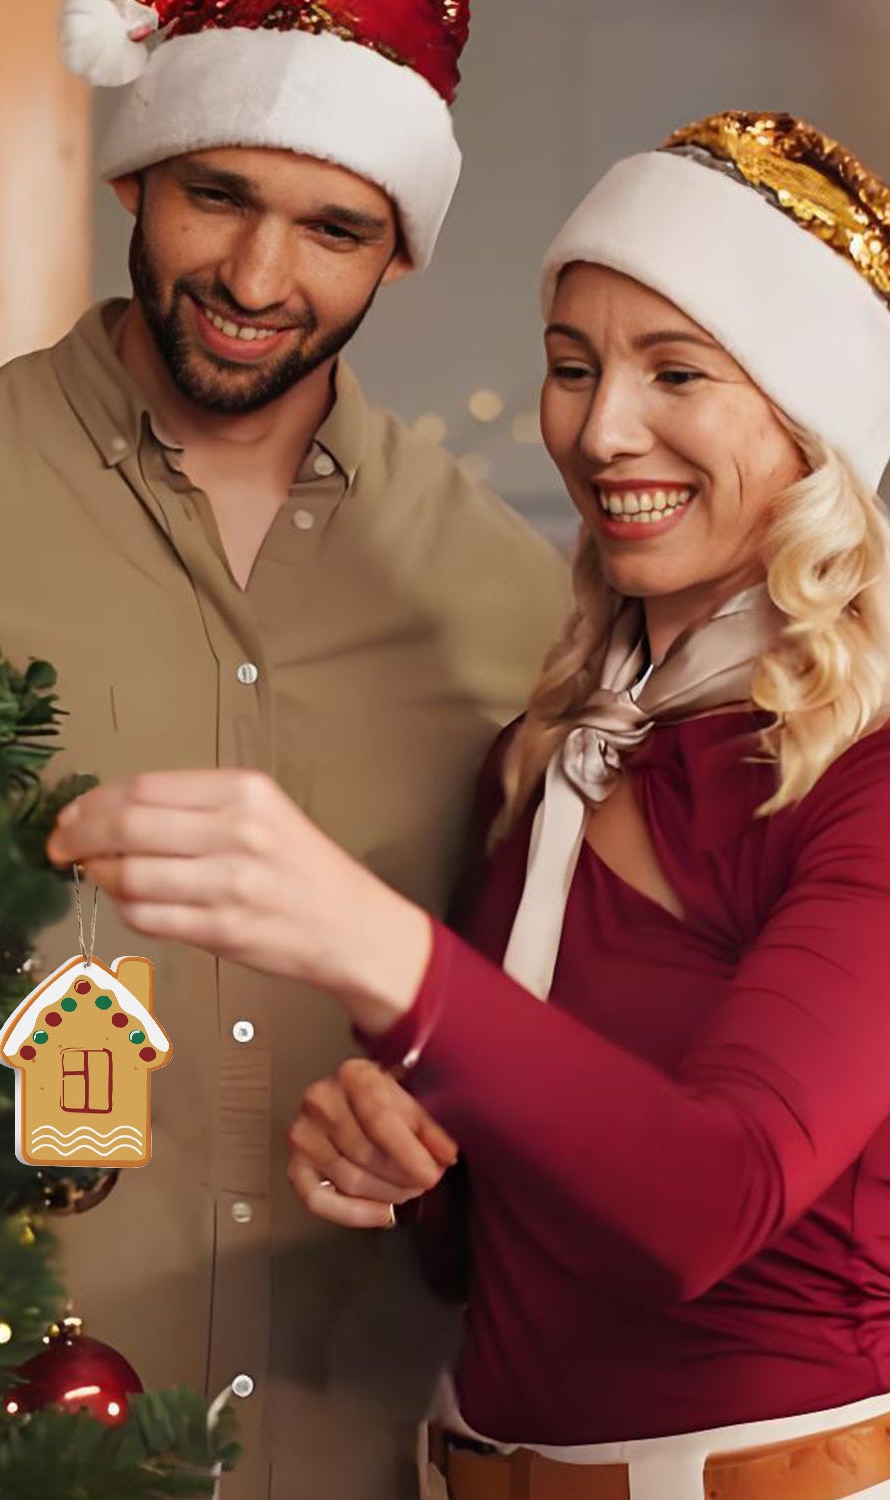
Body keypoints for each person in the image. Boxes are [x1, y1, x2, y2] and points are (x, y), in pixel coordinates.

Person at [46, 109, 890, 1500]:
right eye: (572, 367)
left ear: (814, 423)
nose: (600, 427)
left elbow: (707, 1202)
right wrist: (408, 1163)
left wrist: (371, 944)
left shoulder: (862, 776)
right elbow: (518, 1228)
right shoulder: (557, 751)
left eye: (676, 371)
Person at [0, 2, 567, 1494]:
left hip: (370, 1434)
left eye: (333, 227)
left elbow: (561, 1031)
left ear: (397, 248)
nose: (260, 279)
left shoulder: (515, 606)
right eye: (219, 196)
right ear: (135, 175)